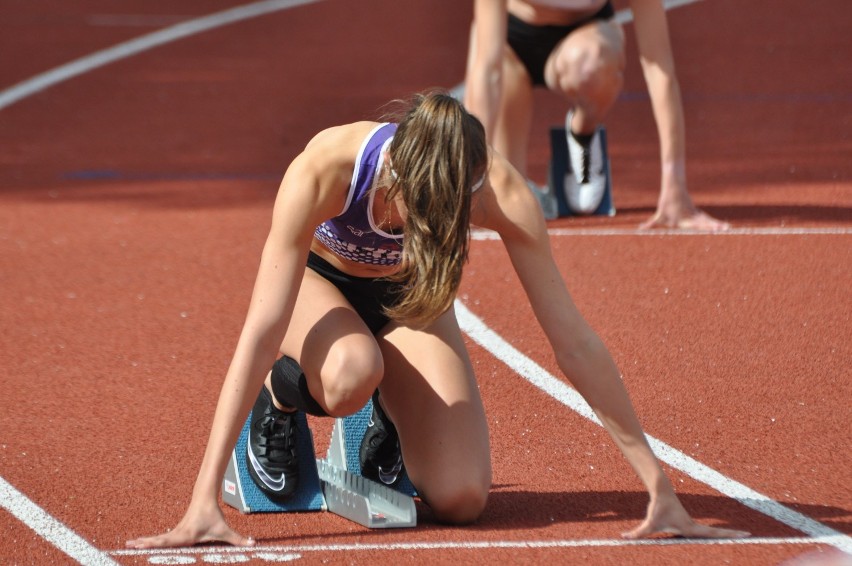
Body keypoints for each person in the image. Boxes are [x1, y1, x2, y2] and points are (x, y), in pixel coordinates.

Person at [126, 91, 748, 549]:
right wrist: (201, 502)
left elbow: (574, 344)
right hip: (318, 290)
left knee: (461, 498)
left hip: (409, 298)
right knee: (350, 373)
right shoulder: (326, 168)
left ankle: (392, 420)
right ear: (399, 173)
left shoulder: (499, 192)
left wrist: (658, 487)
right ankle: (282, 401)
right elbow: (263, 325)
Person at [464, 0, 730, 230]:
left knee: (592, 62)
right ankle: (529, 189)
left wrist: (675, 185)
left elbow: (659, 68)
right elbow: (488, 69)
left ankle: (582, 133)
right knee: (505, 197)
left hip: (586, 38)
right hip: (509, 42)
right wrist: (469, 180)